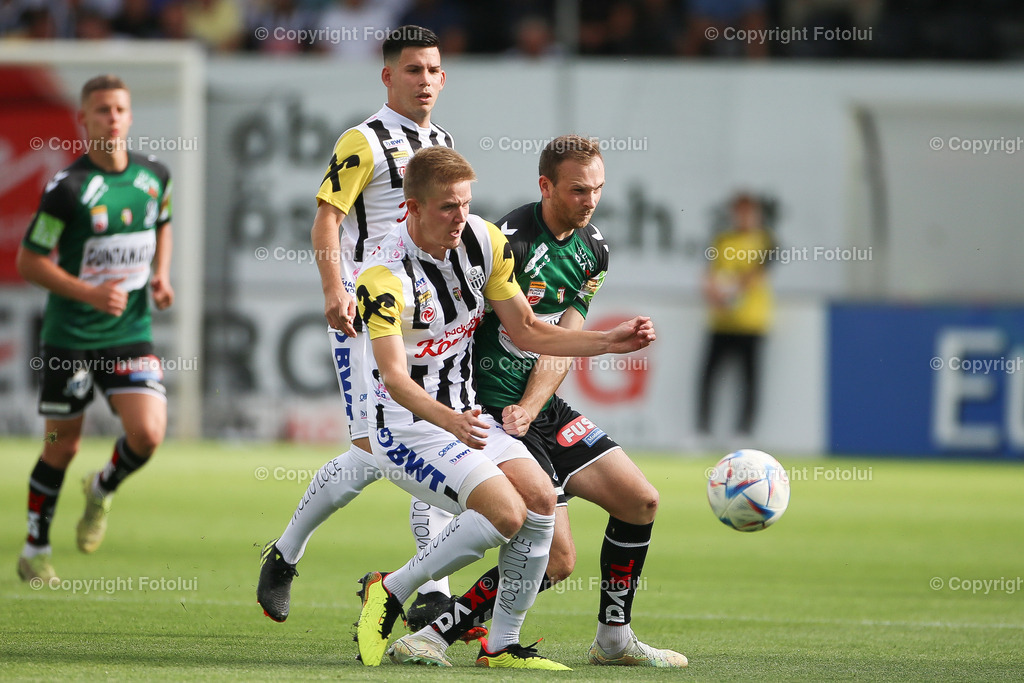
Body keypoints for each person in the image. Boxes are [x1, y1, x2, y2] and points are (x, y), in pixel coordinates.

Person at [385, 135, 687, 668]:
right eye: (577, 190)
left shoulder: (594, 250)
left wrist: (533, 402)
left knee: (640, 500)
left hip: (537, 410)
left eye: (596, 189)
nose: (589, 200)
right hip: (489, 411)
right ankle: (434, 632)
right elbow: (512, 329)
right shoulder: (503, 242)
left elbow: (559, 342)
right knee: (558, 559)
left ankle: (613, 640)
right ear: (545, 186)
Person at [257, 25, 462, 628]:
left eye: (432, 70)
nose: (424, 80)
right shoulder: (364, 140)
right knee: (377, 448)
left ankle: (430, 586)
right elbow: (326, 222)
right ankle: (290, 554)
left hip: (426, 316)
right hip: (366, 313)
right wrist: (335, 289)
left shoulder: (442, 141)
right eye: (412, 70)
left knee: (419, 443)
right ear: (388, 76)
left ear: (443, 76)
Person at [16, 74, 174, 585]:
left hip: (129, 331)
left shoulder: (154, 176)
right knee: (62, 446)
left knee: (148, 434)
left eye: (119, 109)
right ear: (83, 120)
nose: (111, 118)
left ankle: (102, 488)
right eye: (101, 110)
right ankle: (35, 549)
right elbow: (29, 261)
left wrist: (160, 275)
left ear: (129, 116)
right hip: (71, 337)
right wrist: (87, 293)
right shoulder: (69, 190)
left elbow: (162, 222)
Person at [697, 191, 774, 438]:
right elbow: (710, 272)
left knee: (749, 379)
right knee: (708, 376)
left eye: (747, 211)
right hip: (721, 321)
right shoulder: (722, 240)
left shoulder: (765, 240)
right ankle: (702, 430)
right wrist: (713, 292)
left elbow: (755, 274)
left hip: (751, 322)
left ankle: (744, 430)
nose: (742, 217)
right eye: (738, 211)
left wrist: (730, 292)